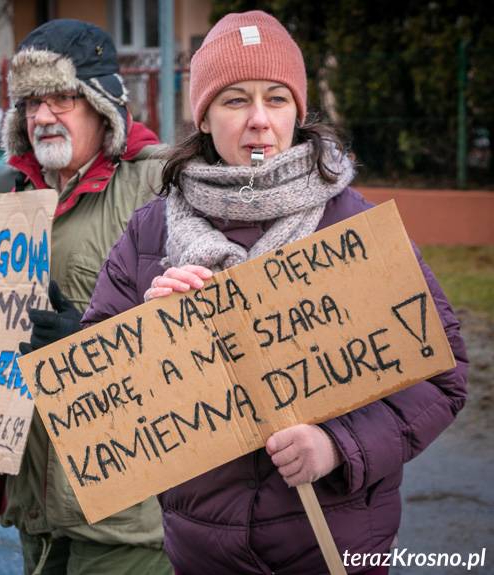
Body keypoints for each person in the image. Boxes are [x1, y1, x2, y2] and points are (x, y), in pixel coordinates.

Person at [81, 10, 468, 575]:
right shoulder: (149, 233)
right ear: (205, 117)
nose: (259, 120)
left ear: (299, 112)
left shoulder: (352, 228)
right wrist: (148, 333)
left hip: (336, 547)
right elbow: (97, 397)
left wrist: (339, 447)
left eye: (276, 98)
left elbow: (443, 374)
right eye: (235, 100)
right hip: (204, 552)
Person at [0, 19, 172, 574]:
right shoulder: (17, 201)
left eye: (62, 98)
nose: (43, 115)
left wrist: (87, 346)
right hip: (36, 512)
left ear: (101, 105)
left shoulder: (158, 184)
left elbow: (201, 336)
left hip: (126, 520)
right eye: (30, 102)